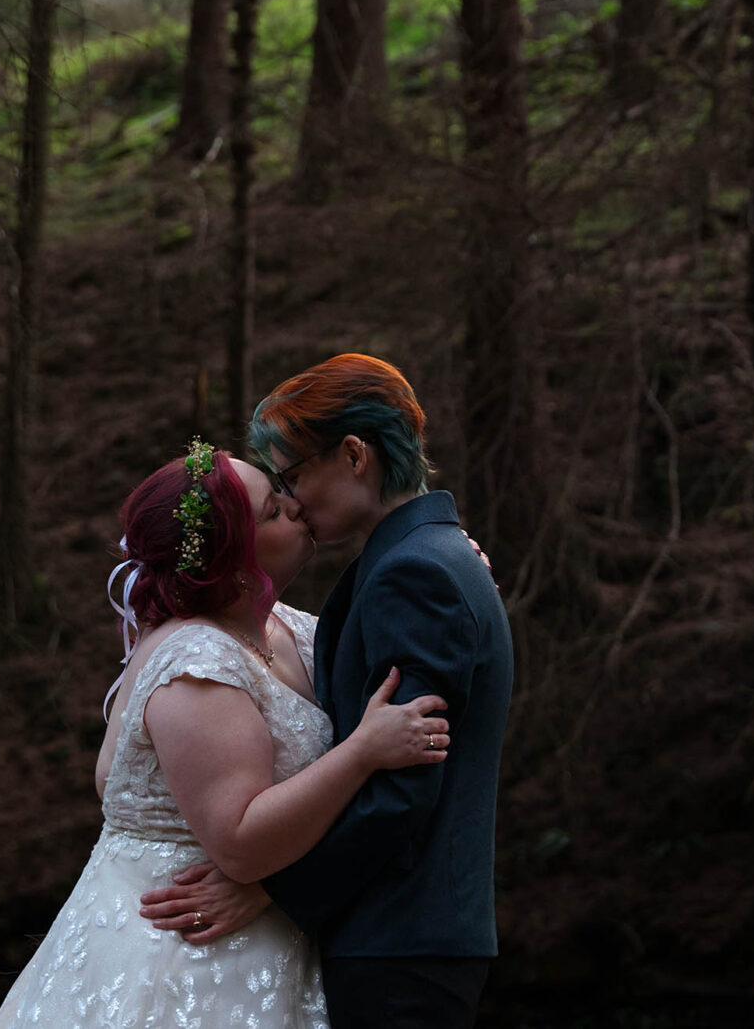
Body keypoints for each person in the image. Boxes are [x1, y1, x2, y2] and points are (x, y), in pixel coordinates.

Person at [0, 436, 450, 1029]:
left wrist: (446, 557)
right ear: (234, 561)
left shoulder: (288, 627)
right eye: (274, 511)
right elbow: (239, 840)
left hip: (259, 933)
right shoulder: (196, 661)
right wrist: (362, 753)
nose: (297, 508)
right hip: (180, 953)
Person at [140, 355, 514, 1029]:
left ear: (352, 454)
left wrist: (274, 891)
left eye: (293, 474)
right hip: (396, 936)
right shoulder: (418, 561)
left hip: (402, 939)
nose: (291, 499)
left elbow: (405, 785)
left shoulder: (417, 574)